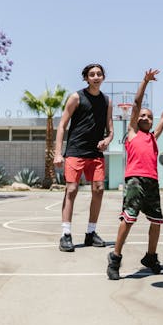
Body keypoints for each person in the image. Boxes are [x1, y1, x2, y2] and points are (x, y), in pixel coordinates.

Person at [107, 69, 163, 280]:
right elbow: (137, 104)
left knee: (156, 221)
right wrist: (145, 81)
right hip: (135, 180)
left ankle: (150, 257)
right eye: (142, 116)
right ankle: (115, 256)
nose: (146, 118)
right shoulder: (132, 132)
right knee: (129, 218)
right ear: (136, 119)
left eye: (149, 117)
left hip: (152, 181)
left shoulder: (154, 137)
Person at [53, 63, 114, 252]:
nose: (96, 77)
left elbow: (110, 130)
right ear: (86, 78)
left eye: (99, 74)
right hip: (75, 151)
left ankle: (91, 232)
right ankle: (66, 234)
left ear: (103, 77)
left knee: (99, 189)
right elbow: (62, 125)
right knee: (71, 190)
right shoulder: (76, 97)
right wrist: (57, 153)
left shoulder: (107, 101)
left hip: (95, 153)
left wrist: (107, 139)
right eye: (92, 74)